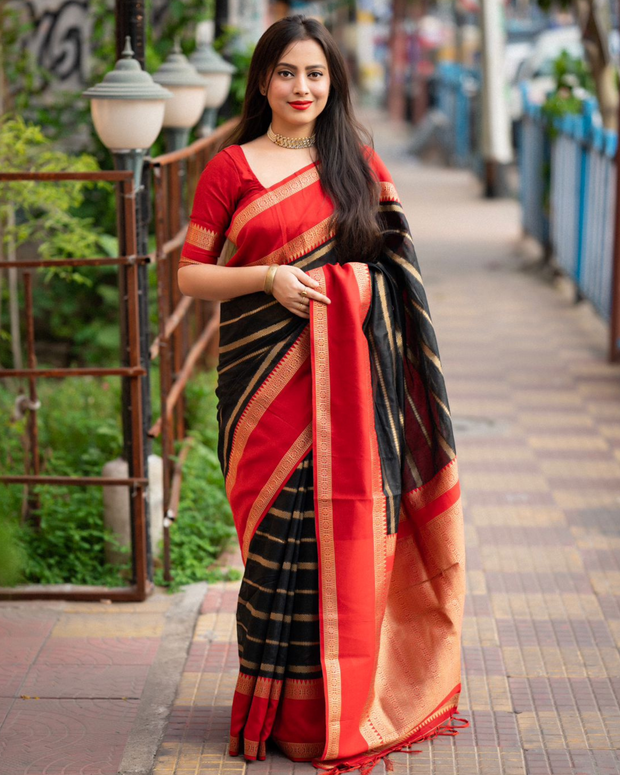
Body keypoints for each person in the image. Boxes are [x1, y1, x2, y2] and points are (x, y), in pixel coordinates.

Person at [177, 14, 468, 775]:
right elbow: (191, 276)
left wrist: (351, 289)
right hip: (258, 392)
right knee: (273, 547)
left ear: (332, 83)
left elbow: (398, 276)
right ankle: (272, 709)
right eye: (286, 73)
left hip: (348, 393)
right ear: (262, 81)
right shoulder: (230, 168)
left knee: (332, 541)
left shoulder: (359, 166)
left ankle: (325, 713)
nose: (300, 88)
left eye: (315, 74)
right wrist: (267, 278)